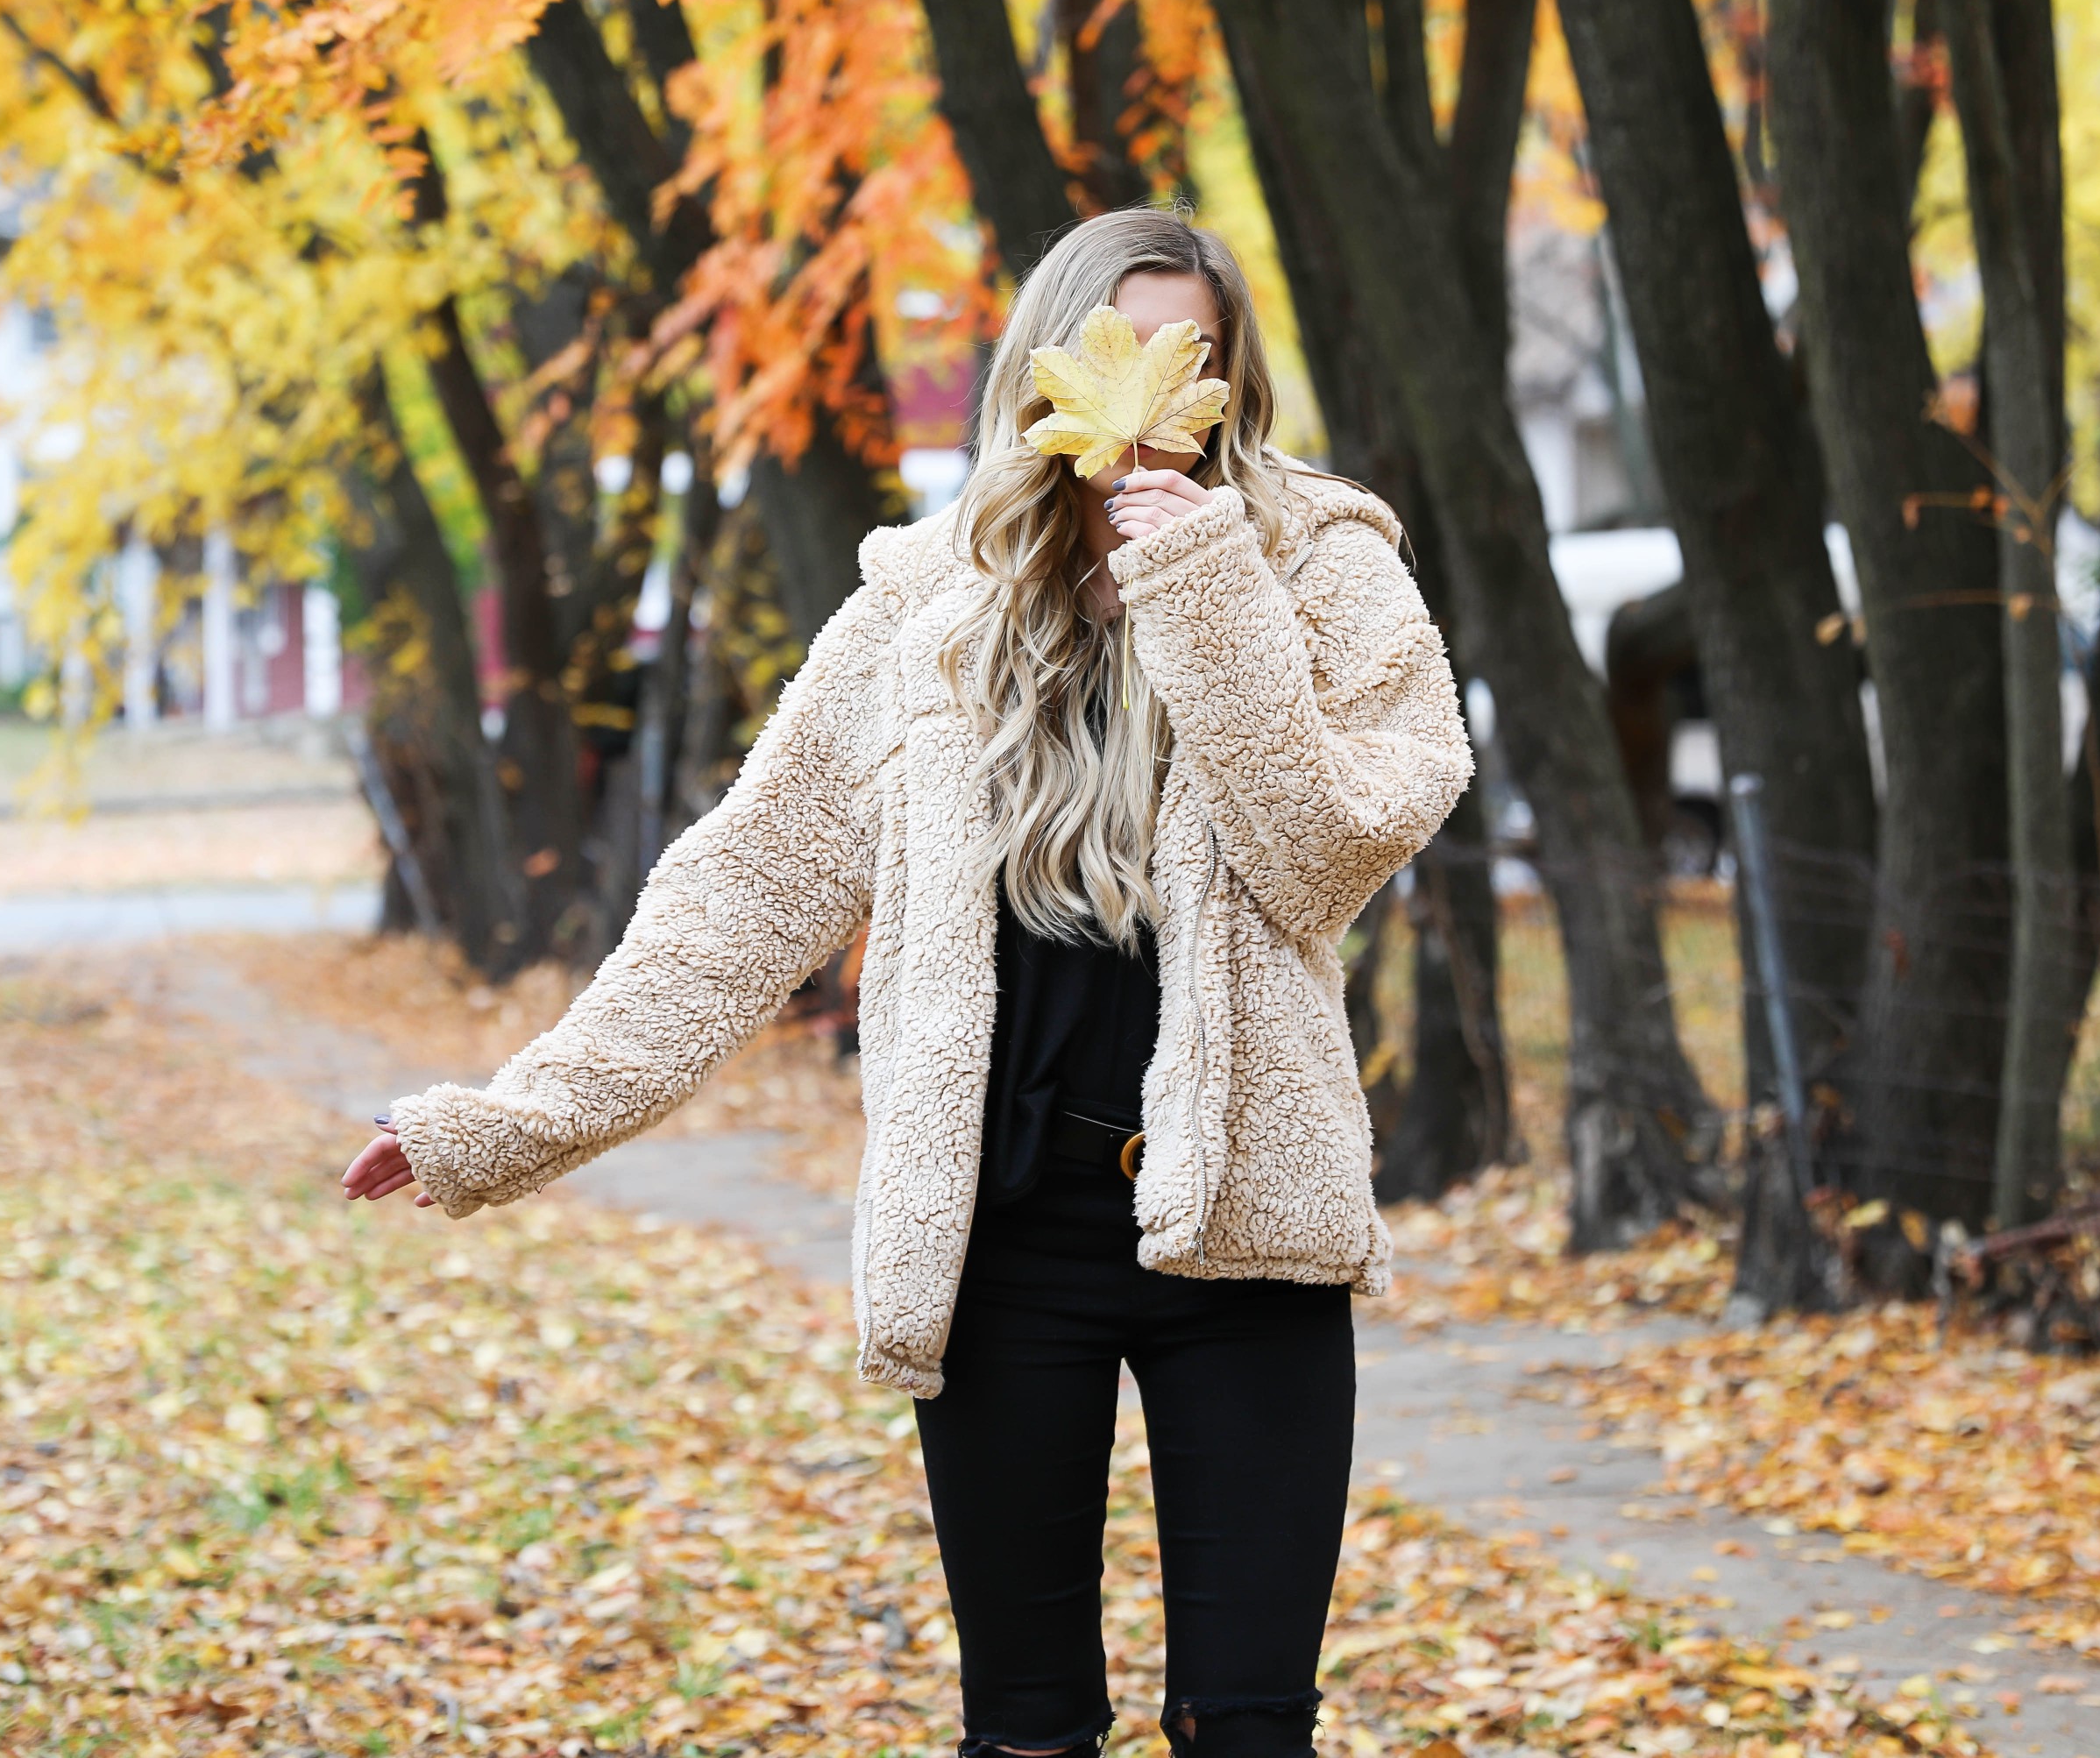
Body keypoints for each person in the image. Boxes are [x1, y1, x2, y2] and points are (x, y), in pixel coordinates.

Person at [339, 207, 1472, 1757]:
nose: (1149, 393)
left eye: (1188, 357)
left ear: (1231, 380)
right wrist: (514, 1119)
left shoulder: (1322, 562)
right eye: (1116, 349)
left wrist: (1204, 586)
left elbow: (1323, 853)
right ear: (1041, 368)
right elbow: (743, 891)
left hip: (1247, 1231)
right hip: (1006, 1240)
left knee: (1251, 1725)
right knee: (1023, 1729)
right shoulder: (925, 602)